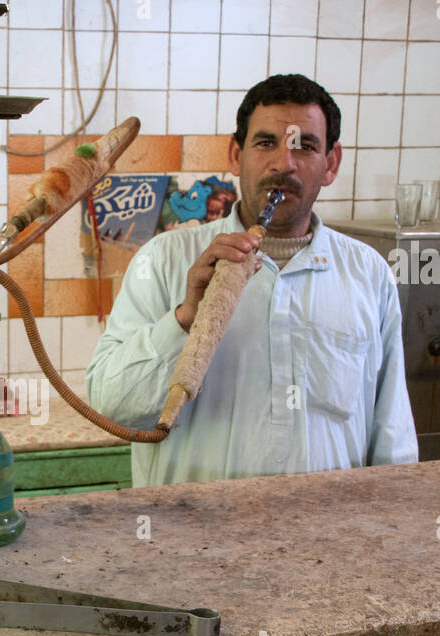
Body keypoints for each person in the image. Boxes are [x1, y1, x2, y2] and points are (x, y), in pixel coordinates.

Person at [86, 74, 418, 486]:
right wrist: (185, 318)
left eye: (305, 146)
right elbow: (110, 405)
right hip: (191, 538)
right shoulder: (162, 261)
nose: (284, 163)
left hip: (326, 538)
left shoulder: (369, 275)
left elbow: (393, 437)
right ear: (235, 154)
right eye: (266, 144)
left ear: (330, 164)